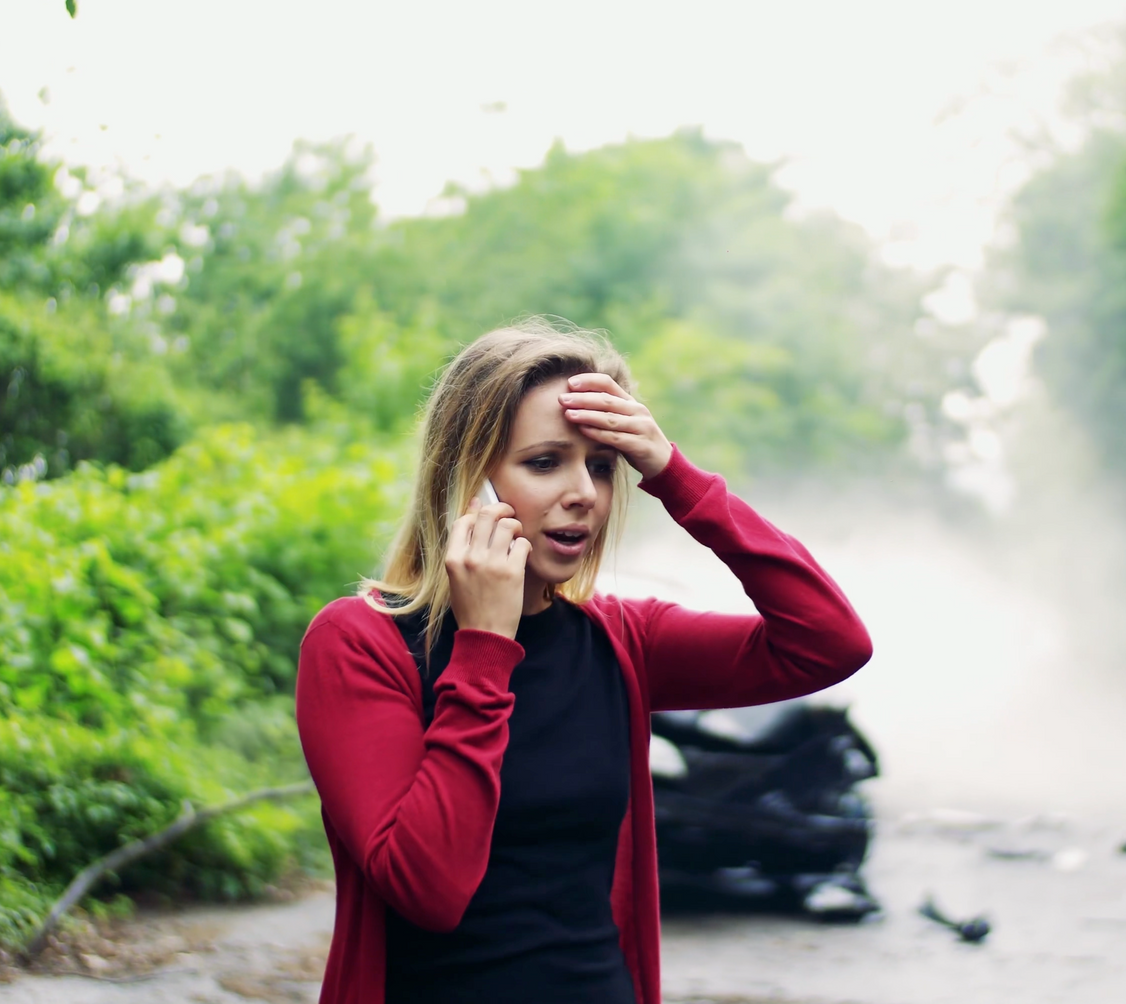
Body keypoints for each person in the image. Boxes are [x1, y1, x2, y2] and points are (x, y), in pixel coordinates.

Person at [295, 320, 873, 1004]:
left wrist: (675, 476)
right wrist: (484, 648)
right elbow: (430, 890)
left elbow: (831, 641)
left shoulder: (622, 639)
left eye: (601, 464)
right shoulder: (361, 644)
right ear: (465, 483)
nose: (586, 493)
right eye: (545, 462)